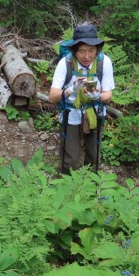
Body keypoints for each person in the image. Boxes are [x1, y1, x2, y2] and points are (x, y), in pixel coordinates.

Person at [48, 23, 115, 173]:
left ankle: (91, 190)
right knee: (70, 158)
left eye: (91, 51)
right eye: (82, 51)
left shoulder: (104, 62)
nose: (87, 56)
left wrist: (97, 96)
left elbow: (108, 95)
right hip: (71, 114)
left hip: (95, 112)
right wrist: (71, 90)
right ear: (74, 50)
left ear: (97, 49)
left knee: (93, 154)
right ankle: (68, 188)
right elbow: (52, 97)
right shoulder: (66, 63)